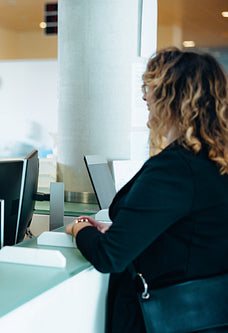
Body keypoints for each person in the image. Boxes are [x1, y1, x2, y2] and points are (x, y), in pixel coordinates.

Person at [65, 47, 228, 332]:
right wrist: (127, 231)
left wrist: (79, 229)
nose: (144, 97)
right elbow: (192, 233)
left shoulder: (175, 168)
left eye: (151, 88)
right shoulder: (215, 160)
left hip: (165, 317)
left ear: (173, 97)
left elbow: (109, 257)